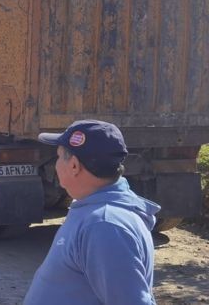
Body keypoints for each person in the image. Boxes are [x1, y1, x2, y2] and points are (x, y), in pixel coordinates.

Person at [24, 120, 159, 305]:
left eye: (58, 157)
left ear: (74, 166)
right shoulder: (95, 212)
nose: (56, 165)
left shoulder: (104, 226)